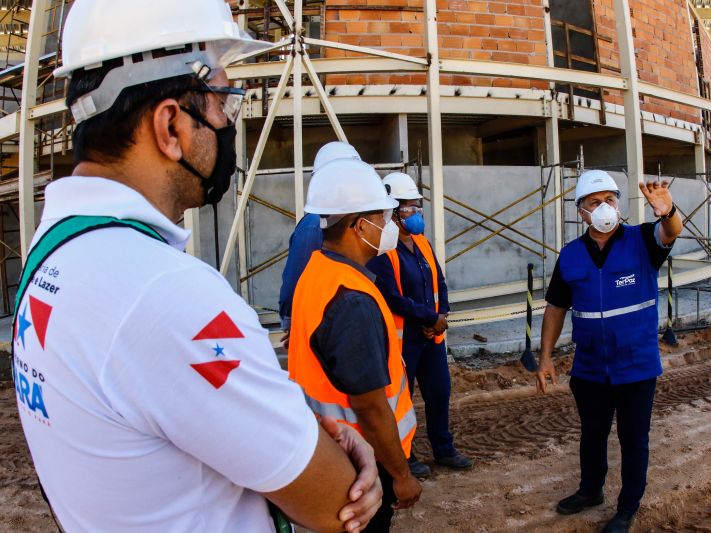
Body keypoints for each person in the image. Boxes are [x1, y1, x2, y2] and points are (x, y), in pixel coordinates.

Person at [11, 1, 381, 532]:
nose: (228, 125)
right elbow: (333, 503)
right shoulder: (167, 294)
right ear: (170, 126)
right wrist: (340, 455)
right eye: (224, 106)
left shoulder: (55, 249)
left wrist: (285, 424)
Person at [535, 170, 683, 533]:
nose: (605, 207)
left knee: (634, 440)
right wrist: (545, 357)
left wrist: (667, 212)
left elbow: (671, 231)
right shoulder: (570, 256)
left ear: (619, 204)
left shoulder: (642, 239)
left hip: (636, 367)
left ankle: (627, 508)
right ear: (581, 211)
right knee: (592, 434)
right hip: (589, 369)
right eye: (595, 202)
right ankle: (591, 490)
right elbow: (556, 307)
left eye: (611, 200)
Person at [288, 160, 422, 532]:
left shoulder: (317, 272)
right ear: (360, 226)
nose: (389, 226)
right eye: (384, 217)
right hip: (360, 462)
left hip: (327, 449)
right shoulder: (351, 298)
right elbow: (372, 407)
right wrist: (400, 475)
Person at [367, 172, 473, 478]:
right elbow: (392, 297)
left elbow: (439, 282)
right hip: (403, 341)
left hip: (431, 337)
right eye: (411, 209)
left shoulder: (421, 243)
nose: (416, 215)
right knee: (402, 400)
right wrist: (430, 318)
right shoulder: (382, 250)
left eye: (417, 208)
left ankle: (444, 449)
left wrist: (442, 318)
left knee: (439, 392)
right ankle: (405, 455)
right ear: (395, 212)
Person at [278, 141, 361, 335]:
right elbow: (295, 282)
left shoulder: (349, 219)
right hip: (321, 327)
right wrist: (294, 326)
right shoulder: (315, 225)